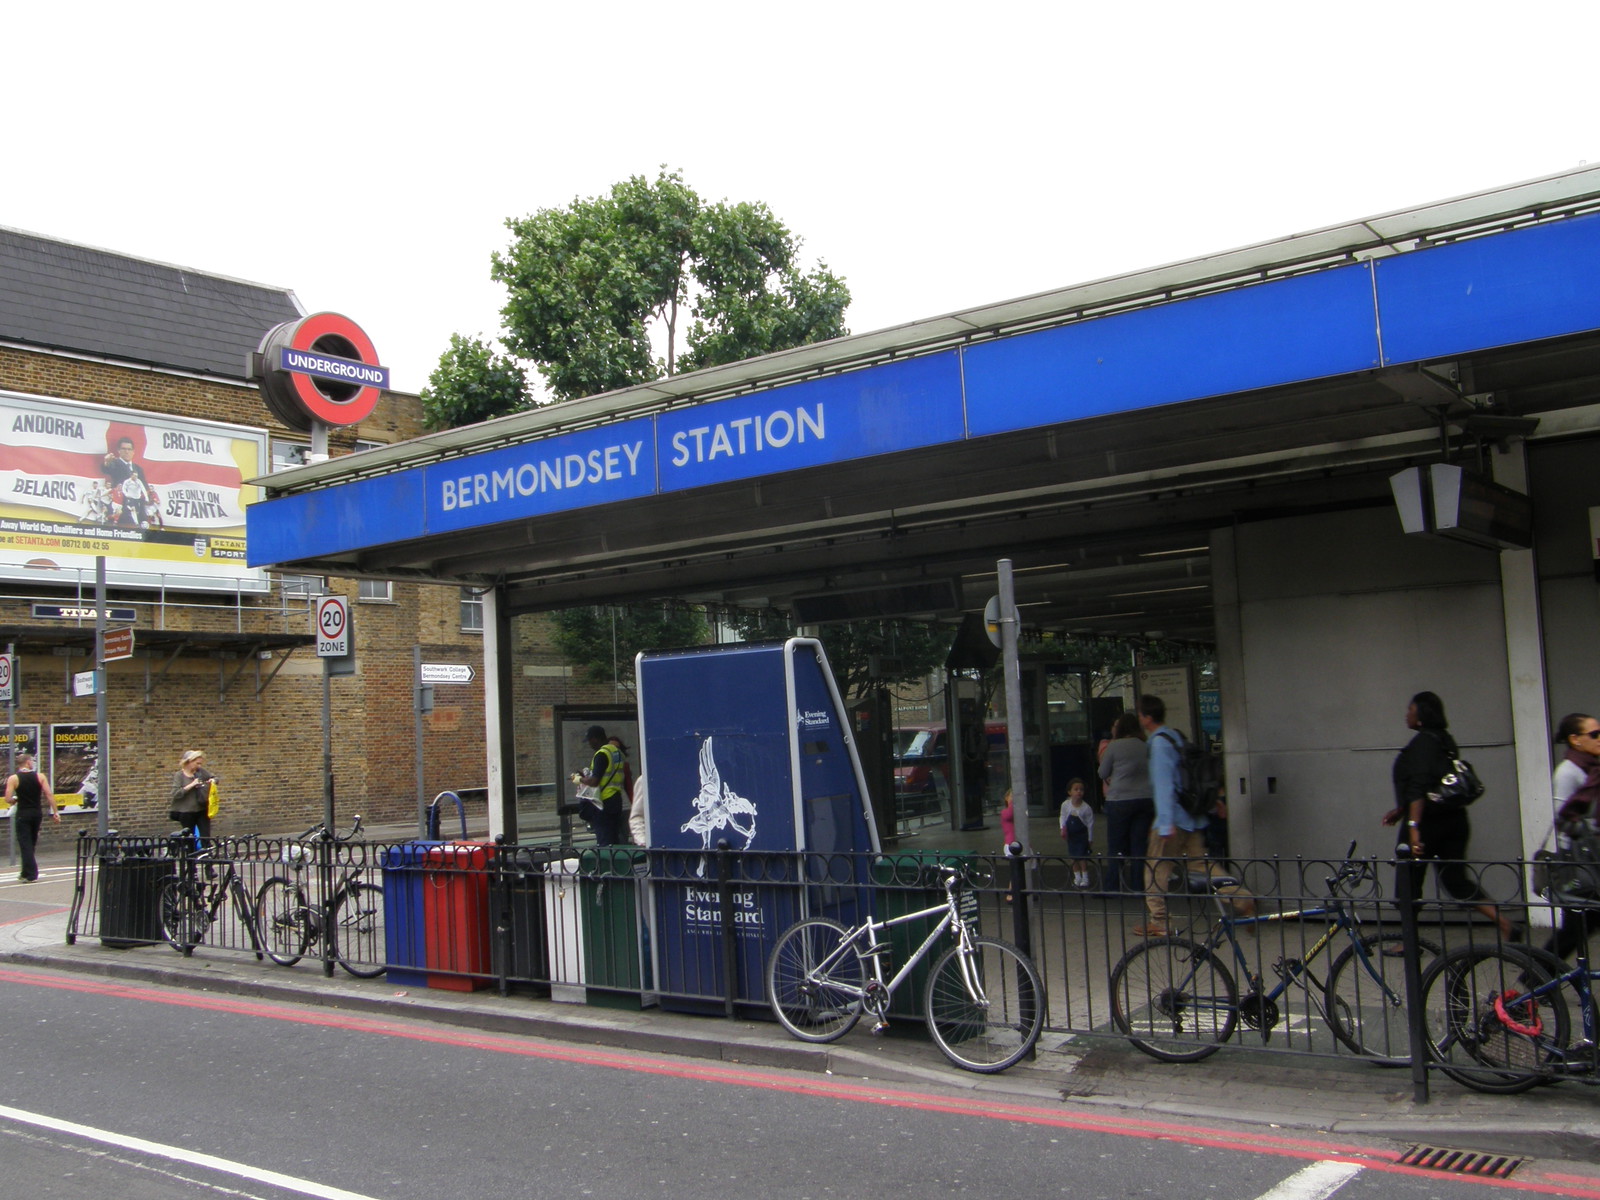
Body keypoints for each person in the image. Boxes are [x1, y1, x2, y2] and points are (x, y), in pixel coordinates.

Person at [1381, 690, 1519, 941]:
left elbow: (1419, 787)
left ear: (1421, 716)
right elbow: (1438, 786)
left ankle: (1408, 944)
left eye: (1410, 710)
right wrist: (1400, 811)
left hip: (1426, 825)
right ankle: (1504, 922)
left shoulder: (1423, 743)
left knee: (1408, 883)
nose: (1406, 715)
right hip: (1454, 820)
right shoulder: (1445, 740)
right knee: (1456, 881)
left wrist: (1412, 828)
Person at [1135, 694, 1252, 937]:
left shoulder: (1158, 744)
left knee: (1155, 868)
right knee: (1202, 865)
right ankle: (1241, 899)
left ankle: (1159, 921)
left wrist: (1165, 823)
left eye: (1140, 715)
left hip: (1172, 819)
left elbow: (1164, 784)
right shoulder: (1175, 736)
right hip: (1192, 816)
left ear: (1146, 717)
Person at [1542, 712, 1600, 959]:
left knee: (1577, 929)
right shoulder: (1568, 772)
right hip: (1577, 862)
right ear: (1575, 739)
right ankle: (1536, 979)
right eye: (1595, 734)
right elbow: (1563, 818)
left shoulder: (1593, 768)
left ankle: (1539, 978)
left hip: (1591, 858)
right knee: (1574, 930)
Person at [1098, 712, 1153, 894]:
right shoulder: (1145, 746)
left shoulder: (1114, 746)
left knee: (1116, 846)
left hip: (1119, 798)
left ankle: (1112, 886)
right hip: (1145, 799)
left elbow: (1103, 772)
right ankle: (1138, 886)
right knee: (1139, 845)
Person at [5, 752, 59, 882]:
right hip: (36, 813)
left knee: (25, 844)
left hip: (23, 814)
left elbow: (7, 798)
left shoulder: (13, 778)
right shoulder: (40, 777)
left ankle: (31, 874)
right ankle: (25, 871)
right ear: (28, 763)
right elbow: (49, 794)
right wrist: (56, 812)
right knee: (31, 843)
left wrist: (14, 801)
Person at [575, 725, 626, 848]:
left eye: (590, 741)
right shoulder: (616, 752)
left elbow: (594, 782)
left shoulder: (601, 754)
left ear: (596, 739)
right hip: (616, 799)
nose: (590, 745)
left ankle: (607, 865)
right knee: (614, 839)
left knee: (604, 842)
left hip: (603, 803)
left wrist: (578, 779)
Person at [101, 434, 162, 528]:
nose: (126, 452)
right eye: (124, 449)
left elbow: (144, 487)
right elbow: (107, 469)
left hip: (137, 507)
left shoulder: (138, 469)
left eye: (129, 449)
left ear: (133, 452)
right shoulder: (115, 463)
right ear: (119, 450)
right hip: (121, 507)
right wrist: (106, 462)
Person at [169, 749, 215, 842]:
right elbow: (176, 793)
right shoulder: (179, 776)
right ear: (189, 762)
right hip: (186, 812)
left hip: (202, 809)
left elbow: (213, 777)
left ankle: (206, 854)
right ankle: (191, 855)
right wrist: (191, 785)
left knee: (205, 836)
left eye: (200, 764)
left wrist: (213, 780)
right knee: (189, 837)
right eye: (197, 763)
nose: (199, 766)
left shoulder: (200, 772)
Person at [1059, 777, 1094, 889]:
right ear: (1070, 792)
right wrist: (1062, 828)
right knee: (1073, 856)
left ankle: (1085, 877)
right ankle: (1077, 877)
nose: (1079, 791)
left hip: (1081, 835)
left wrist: (1090, 838)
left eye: (1081, 789)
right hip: (1071, 835)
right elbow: (1063, 816)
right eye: (1076, 789)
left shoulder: (1086, 808)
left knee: (1082, 857)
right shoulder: (1065, 805)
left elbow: (1090, 824)